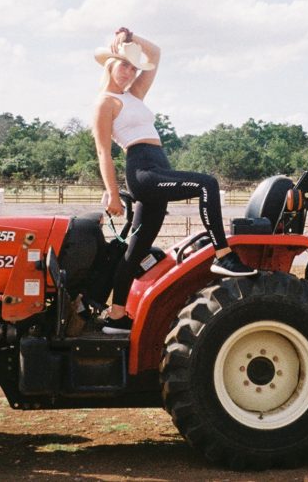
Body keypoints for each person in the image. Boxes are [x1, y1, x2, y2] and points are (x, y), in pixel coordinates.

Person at [93, 27, 256, 334]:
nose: (129, 72)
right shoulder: (106, 102)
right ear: (110, 65)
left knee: (135, 251)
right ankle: (223, 255)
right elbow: (103, 152)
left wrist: (133, 38)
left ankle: (116, 316)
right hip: (143, 171)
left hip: (158, 165)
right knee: (206, 184)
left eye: (133, 67)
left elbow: (155, 53)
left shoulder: (134, 95)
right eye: (124, 65)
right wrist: (112, 193)